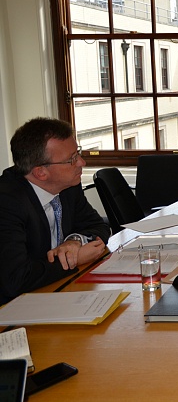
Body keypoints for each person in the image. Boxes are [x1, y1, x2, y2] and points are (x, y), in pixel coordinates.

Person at [0, 118, 110, 305]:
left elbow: (99, 225)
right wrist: (74, 259)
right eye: (72, 159)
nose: (82, 162)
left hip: (56, 291)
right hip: (13, 308)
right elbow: (15, 279)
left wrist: (74, 241)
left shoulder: (68, 186)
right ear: (41, 172)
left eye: (78, 153)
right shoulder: (6, 203)